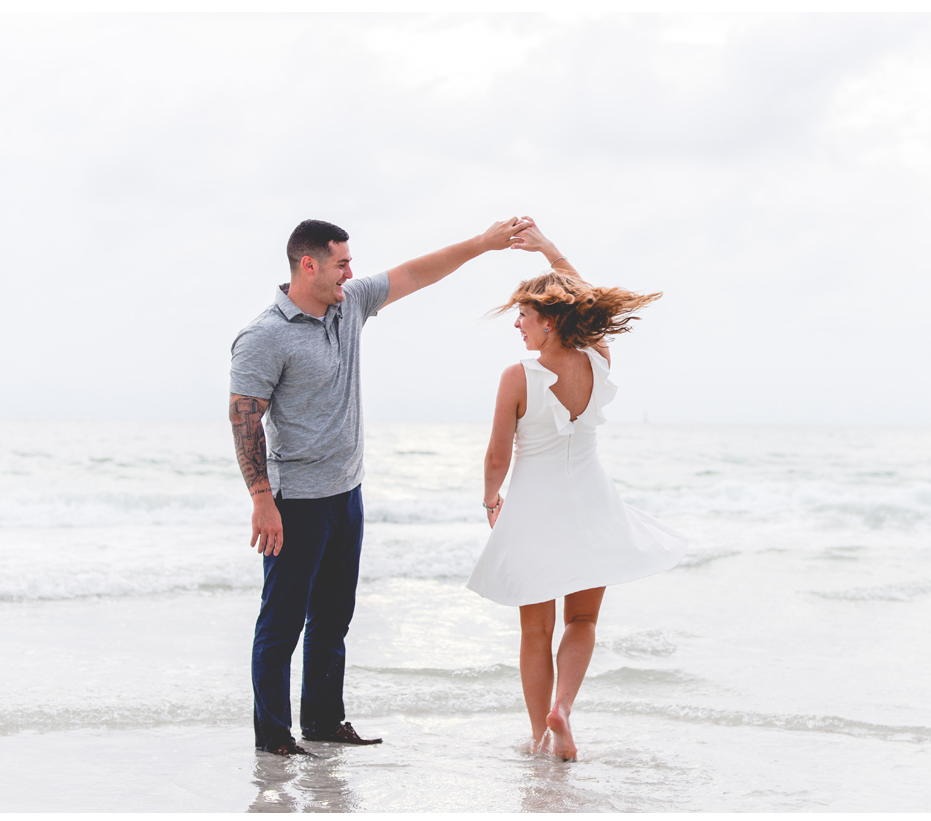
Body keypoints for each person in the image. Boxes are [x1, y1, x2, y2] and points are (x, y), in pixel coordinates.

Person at [229, 216, 532, 756]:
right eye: (341, 263)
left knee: (333, 619)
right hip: (295, 502)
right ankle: (273, 738)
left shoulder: (347, 305)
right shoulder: (263, 336)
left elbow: (416, 273)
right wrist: (261, 500)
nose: (351, 271)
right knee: (281, 624)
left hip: (348, 495)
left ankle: (322, 722)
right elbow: (244, 420)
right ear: (309, 265)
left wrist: (483, 244)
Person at [464, 221, 686, 762]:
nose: (517, 323)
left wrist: (492, 501)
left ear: (547, 320)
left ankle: (540, 735)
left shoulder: (518, 376)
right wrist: (549, 250)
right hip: (591, 505)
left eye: (524, 315)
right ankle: (562, 707)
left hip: (535, 510)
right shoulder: (597, 361)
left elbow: (498, 455)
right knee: (582, 621)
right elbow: (584, 302)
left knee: (535, 631)